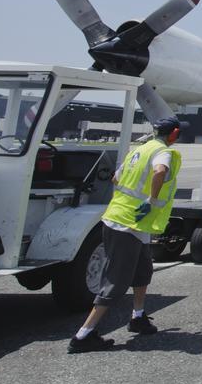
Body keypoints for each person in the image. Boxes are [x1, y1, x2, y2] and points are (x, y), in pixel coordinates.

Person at [68, 117, 184, 354]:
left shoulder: (139, 150)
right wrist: (150, 199)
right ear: (174, 134)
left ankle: (138, 316)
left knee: (143, 270)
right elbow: (160, 171)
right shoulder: (163, 152)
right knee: (116, 279)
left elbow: (115, 178)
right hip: (127, 223)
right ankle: (84, 335)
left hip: (128, 221)